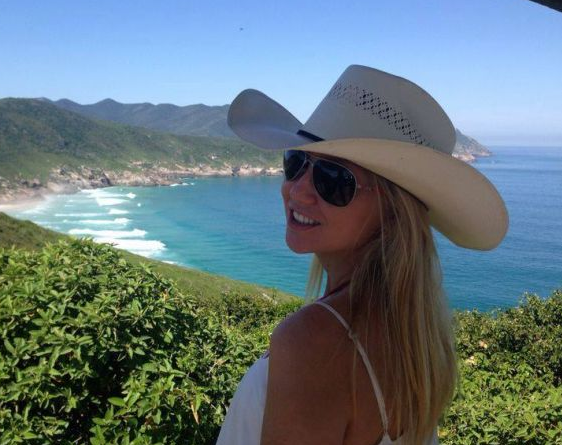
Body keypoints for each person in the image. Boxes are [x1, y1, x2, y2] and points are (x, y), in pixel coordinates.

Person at [216, 65, 508, 445]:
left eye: (334, 180)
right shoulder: (415, 341)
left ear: (393, 211)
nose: (296, 190)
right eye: (296, 162)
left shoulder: (311, 343)